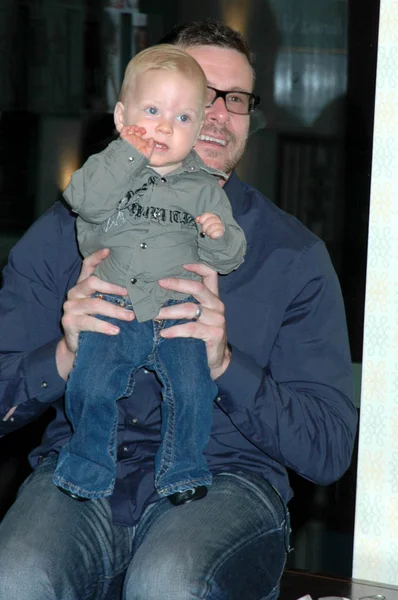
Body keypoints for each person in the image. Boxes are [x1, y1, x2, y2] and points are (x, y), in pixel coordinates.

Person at [0, 18, 357, 600]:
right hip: (80, 469)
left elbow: (327, 449)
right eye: (196, 92)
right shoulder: (68, 229)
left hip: (230, 482)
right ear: (133, 113)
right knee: (13, 576)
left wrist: (225, 363)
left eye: (234, 99)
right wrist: (62, 355)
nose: (215, 113)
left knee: (168, 581)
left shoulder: (294, 257)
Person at [52, 44, 246, 505]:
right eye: (152, 110)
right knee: (93, 383)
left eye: (181, 119)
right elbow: (85, 200)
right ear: (122, 117)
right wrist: (125, 153)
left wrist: (217, 235)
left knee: (194, 389)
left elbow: (230, 256)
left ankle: (183, 470)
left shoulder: (205, 189)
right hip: (113, 304)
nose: (163, 126)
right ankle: (87, 462)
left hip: (178, 312)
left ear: (198, 127)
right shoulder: (109, 169)